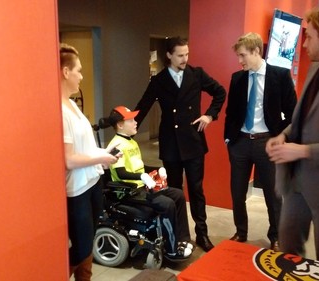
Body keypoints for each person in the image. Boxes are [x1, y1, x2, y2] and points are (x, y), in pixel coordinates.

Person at [266, 6, 319, 263]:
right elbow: (305, 117)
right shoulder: (315, 67)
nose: (303, 45)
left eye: (309, 36)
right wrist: (285, 135)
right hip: (296, 181)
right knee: (288, 249)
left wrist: (303, 151)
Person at [135, 36, 226, 252]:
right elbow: (143, 106)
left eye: (187, 54)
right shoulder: (159, 81)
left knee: (196, 190)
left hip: (193, 142)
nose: (185, 58)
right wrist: (126, 130)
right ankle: (177, 235)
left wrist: (209, 116)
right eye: (180, 55)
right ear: (169, 55)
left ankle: (202, 234)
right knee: (174, 192)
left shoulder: (197, 74)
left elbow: (220, 92)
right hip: (171, 145)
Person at [224, 32, 297, 251]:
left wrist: (281, 138)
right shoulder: (237, 78)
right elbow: (232, 112)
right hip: (240, 143)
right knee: (237, 192)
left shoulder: (280, 76)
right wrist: (229, 139)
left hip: (268, 143)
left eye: (243, 55)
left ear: (256, 51)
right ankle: (241, 231)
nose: (240, 61)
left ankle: (276, 236)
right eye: (238, 56)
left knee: (273, 195)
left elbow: (293, 113)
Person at [60, 43, 120, 280]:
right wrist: (102, 157)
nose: (82, 77)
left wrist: (104, 155)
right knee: (82, 246)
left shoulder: (73, 104)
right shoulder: (59, 110)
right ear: (66, 72)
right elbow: (69, 159)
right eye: (79, 71)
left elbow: (84, 147)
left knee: (88, 242)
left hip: (93, 181)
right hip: (77, 189)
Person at [103, 105, 193, 260]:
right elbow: (120, 172)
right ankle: (172, 250)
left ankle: (182, 239)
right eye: (131, 120)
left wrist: (158, 170)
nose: (135, 122)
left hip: (141, 187)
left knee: (177, 194)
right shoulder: (115, 145)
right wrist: (142, 177)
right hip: (128, 191)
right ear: (120, 125)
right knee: (167, 204)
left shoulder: (131, 142)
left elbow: (141, 167)